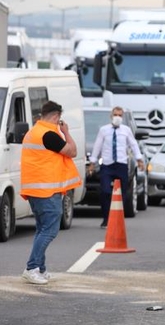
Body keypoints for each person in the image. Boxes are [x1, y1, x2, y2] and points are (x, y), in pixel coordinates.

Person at [20, 100, 80, 285]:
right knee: (50, 231)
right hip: (47, 190)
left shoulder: (34, 132)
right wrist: (66, 132)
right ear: (55, 116)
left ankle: (40, 268)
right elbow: (72, 151)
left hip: (35, 189)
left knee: (42, 229)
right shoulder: (49, 135)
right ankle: (31, 268)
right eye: (58, 119)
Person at [89, 106, 144, 228]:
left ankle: (118, 218)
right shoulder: (104, 130)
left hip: (121, 164)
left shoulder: (126, 130)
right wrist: (92, 162)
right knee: (105, 191)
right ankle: (106, 218)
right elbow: (97, 146)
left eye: (120, 115)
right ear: (111, 116)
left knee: (122, 193)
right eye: (115, 115)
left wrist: (139, 159)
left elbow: (133, 144)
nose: (117, 117)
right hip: (107, 165)